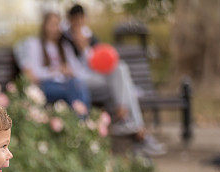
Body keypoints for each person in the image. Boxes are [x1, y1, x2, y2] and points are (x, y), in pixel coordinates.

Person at [62, 4, 165, 156]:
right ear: (70, 19)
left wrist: (85, 47)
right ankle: (139, 131)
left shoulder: (90, 37)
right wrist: (81, 47)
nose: (78, 22)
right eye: (75, 19)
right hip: (80, 81)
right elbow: (74, 68)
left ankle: (126, 117)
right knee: (125, 86)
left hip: (97, 78)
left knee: (120, 68)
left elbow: (98, 63)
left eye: (81, 19)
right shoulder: (65, 39)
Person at [19, 11, 91, 114]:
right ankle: (83, 122)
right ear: (44, 26)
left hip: (66, 84)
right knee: (74, 89)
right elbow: (34, 73)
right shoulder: (35, 44)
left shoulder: (65, 47)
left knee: (77, 84)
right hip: (46, 85)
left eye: (58, 24)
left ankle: (80, 121)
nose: (56, 28)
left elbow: (78, 70)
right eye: (52, 24)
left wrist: (69, 71)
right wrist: (55, 71)